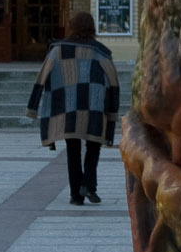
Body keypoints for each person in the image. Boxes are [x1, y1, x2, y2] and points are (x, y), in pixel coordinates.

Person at [26, 11, 120, 204]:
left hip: (67, 109)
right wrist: (112, 113)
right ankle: (88, 185)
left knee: (73, 150)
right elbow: (114, 83)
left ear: (72, 27)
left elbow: (41, 76)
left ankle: (76, 195)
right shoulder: (101, 52)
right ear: (92, 28)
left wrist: (32, 107)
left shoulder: (58, 50)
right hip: (93, 108)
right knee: (93, 147)